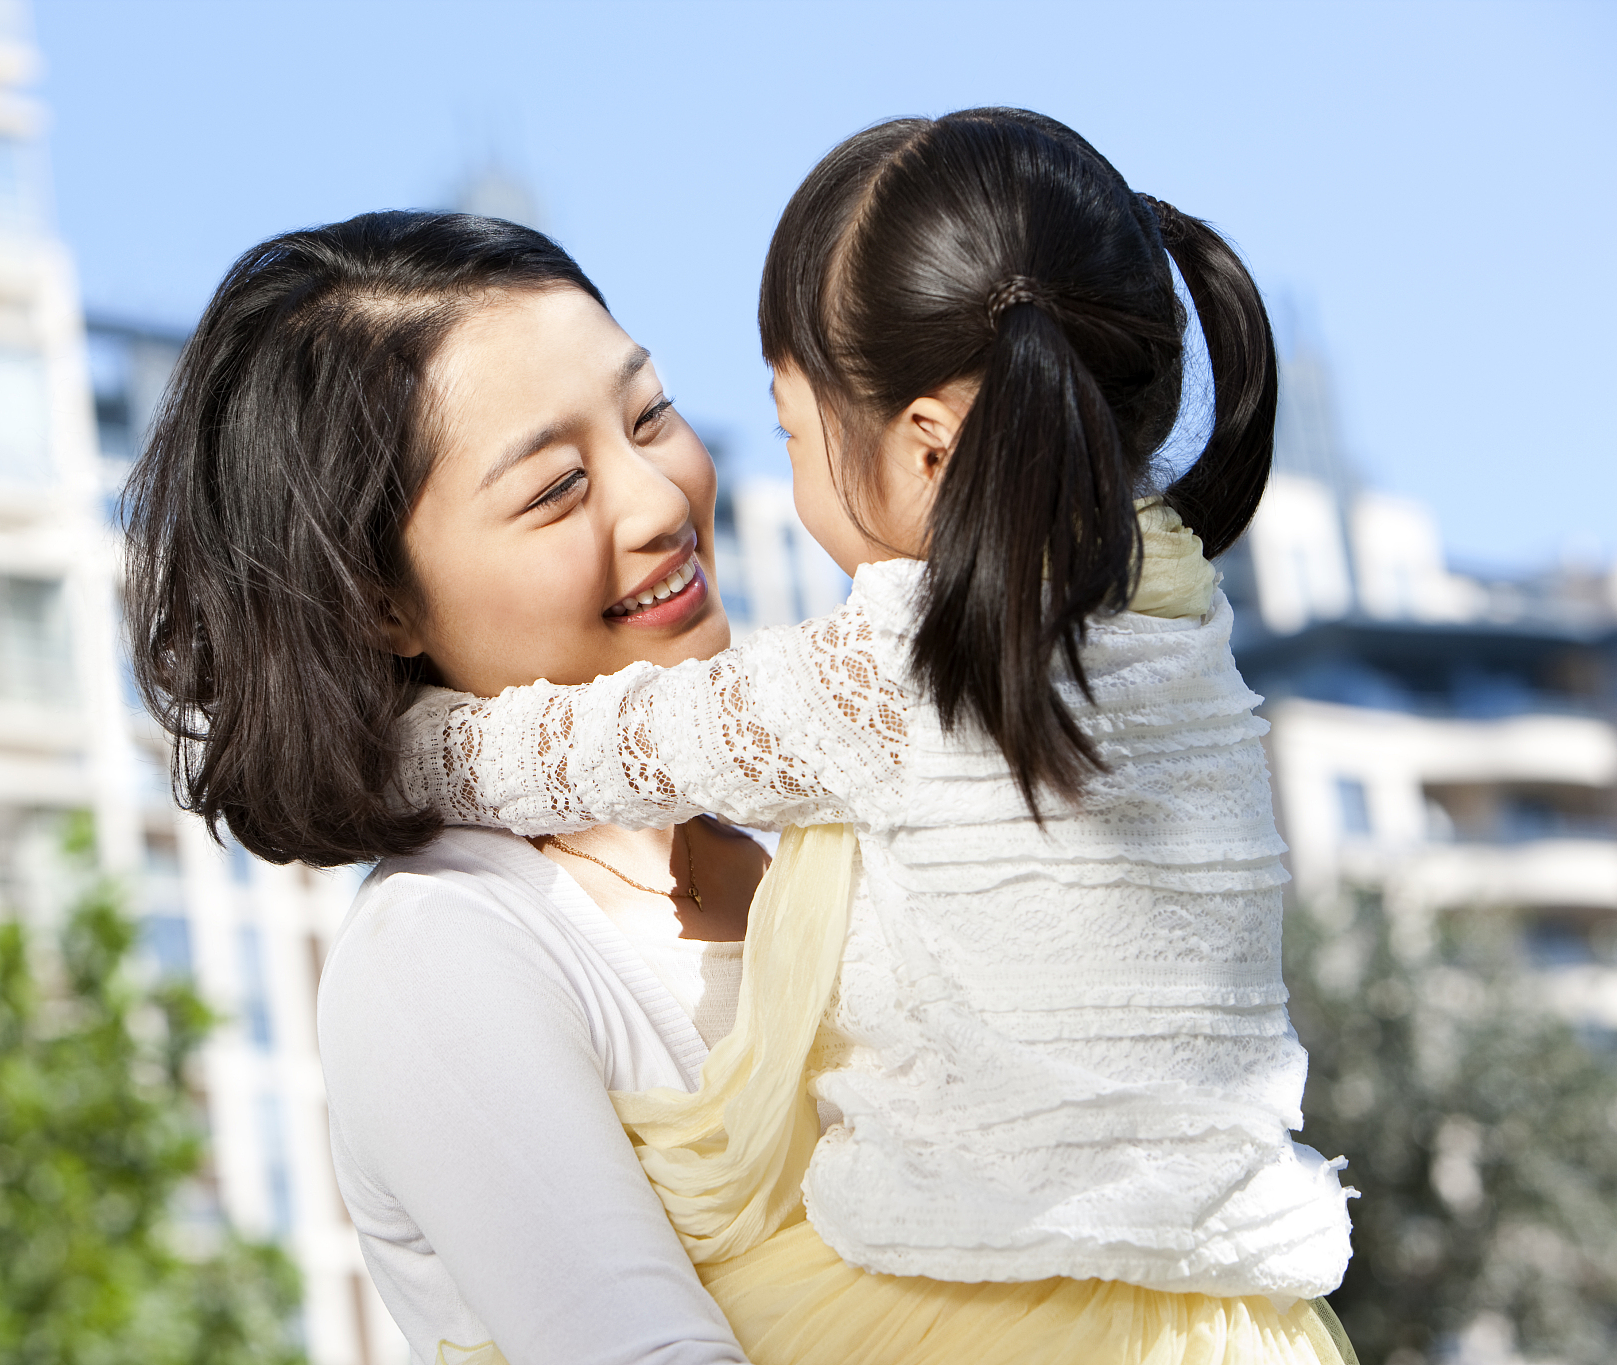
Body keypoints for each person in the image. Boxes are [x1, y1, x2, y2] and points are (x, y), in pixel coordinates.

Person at [392, 109, 1358, 1363]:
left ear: (923, 446)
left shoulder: (895, 673)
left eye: (791, 430)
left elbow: (610, 744)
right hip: (1236, 1317)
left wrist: (393, 746)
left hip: (990, 1304)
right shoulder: (1175, 619)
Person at [122, 210, 774, 1365]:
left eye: (650, 418)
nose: (659, 503)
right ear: (379, 600)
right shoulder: (444, 949)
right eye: (557, 489)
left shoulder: (801, 825)